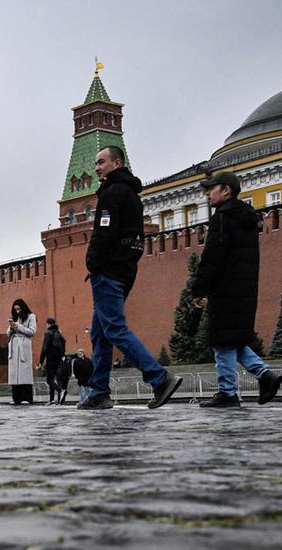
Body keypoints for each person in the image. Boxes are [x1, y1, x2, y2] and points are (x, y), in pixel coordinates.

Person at [79, 146, 183, 410]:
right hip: (125, 270)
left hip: (108, 272)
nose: (97, 167)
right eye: (96, 163)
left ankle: (159, 378)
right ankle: (99, 391)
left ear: (117, 163)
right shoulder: (132, 196)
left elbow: (105, 234)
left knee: (114, 328)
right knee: (101, 334)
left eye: (101, 162)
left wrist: (93, 262)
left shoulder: (112, 194)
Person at [191, 171, 282, 408]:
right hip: (243, 289)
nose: (207, 193)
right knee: (231, 338)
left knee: (221, 340)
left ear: (226, 190)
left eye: (211, 188)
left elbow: (213, 257)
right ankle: (265, 375)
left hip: (225, 289)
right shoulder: (246, 219)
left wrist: (199, 288)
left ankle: (227, 392)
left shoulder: (222, 217)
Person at [6, 299, 37, 405]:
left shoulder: (31, 316)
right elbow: (8, 333)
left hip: (24, 345)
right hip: (14, 345)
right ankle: (16, 398)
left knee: (25, 373)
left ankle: (27, 398)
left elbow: (32, 331)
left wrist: (18, 327)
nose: (17, 311)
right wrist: (11, 327)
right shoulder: (15, 317)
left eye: (19, 309)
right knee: (14, 373)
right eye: (15, 310)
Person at [38, 318, 67, 405]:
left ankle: (61, 391)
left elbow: (45, 348)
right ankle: (52, 400)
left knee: (49, 380)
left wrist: (41, 361)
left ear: (48, 324)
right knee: (53, 380)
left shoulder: (48, 333)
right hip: (59, 360)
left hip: (50, 359)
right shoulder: (59, 334)